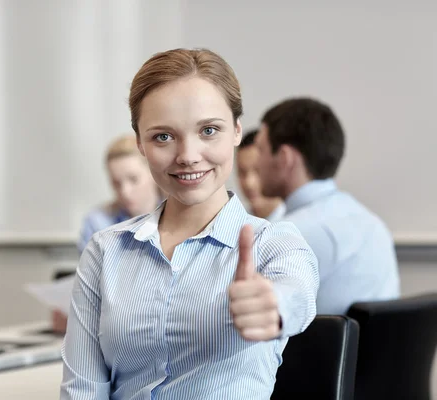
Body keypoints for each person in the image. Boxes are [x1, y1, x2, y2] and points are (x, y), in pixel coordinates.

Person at [60, 48, 319, 399]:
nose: (187, 155)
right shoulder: (105, 250)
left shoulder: (274, 244)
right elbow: (82, 390)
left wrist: (274, 307)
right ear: (140, 142)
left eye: (209, 130)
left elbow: (296, 294)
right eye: (163, 137)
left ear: (237, 131)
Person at [255, 97, 400, 315]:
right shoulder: (372, 222)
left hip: (313, 349)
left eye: (261, 151)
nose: (256, 164)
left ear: (284, 158)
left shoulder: (290, 234)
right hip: (388, 350)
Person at [51, 134, 161, 334]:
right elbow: (93, 286)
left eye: (133, 180)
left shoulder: (177, 217)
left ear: (153, 173)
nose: (125, 191)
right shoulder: (97, 222)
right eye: (116, 183)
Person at [235, 129, 284, 221]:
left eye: (258, 170)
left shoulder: (297, 226)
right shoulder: (235, 224)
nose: (249, 183)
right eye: (242, 172)